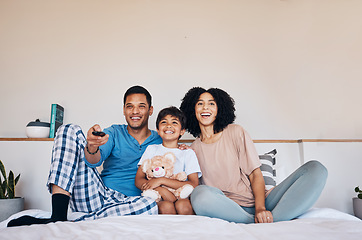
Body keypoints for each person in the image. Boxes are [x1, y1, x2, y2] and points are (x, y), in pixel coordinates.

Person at [8, 86, 163, 227]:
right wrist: (92, 146)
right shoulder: (114, 132)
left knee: (150, 205)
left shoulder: (161, 140)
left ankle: (72, 221)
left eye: (141, 106)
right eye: (130, 106)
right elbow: (93, 161)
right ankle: (58, 215)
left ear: (150, 110)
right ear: (124, 110)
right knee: (68, 129)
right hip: (98, 196)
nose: (135, 111)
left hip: (132, 203)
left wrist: (183, 148)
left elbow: (179, 164)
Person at [179, 87, 328, 224]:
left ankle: (267, 217)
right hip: (225, 207)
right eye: (200, 103)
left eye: (211, 103)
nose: (205, 107)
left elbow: (255, 175)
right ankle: (258, 222)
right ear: (193, 110)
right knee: (199, 194)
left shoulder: (235, 132)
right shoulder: (192, 150)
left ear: (219, 109)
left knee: (316, 168)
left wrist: (260, 208)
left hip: (261, 201)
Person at [135, 106, 201, 215]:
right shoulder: (151, 149)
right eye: (164, 122)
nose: (168, 125)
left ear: (182, 131)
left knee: (183, 205)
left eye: (174, 122)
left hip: (182, 197)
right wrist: (160, 190)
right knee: (166, 206)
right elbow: (138, 179)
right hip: (158, 197)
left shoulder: (188, 153)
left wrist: (161, 181)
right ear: (158, 130)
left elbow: (193, 184)